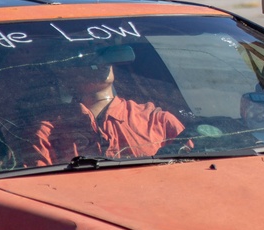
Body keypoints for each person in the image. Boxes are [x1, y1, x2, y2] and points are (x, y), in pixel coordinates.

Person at [27, 53, 185, 166]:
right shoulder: (48, 132)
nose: (100, 58)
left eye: (104, 50)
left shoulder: (158, 121)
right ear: (63, 71)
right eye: (86, 52)